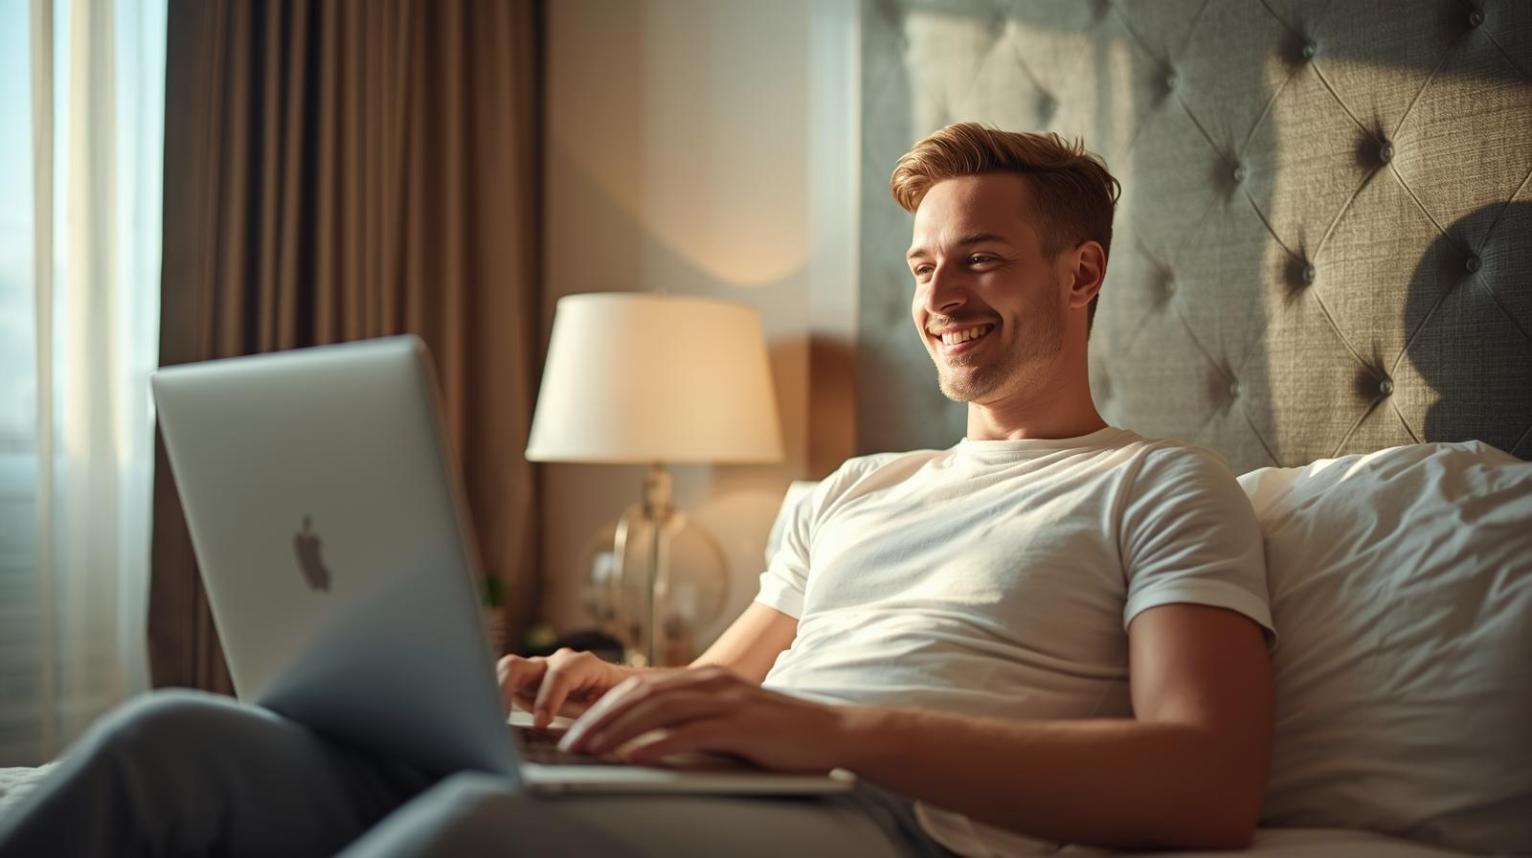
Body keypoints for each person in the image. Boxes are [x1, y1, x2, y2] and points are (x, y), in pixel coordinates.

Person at [0, 123, 1274, 857]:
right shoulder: (847, 491)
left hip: (889, 833)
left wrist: (831, 732)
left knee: (463, 839)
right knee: (169, 743)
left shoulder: (1159, 487)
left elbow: (1204, 785)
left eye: (981, 263)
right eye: (923, 265)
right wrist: (595, 693)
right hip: (745, 792)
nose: (938, 301)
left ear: (1079, 273)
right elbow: (719, 681)